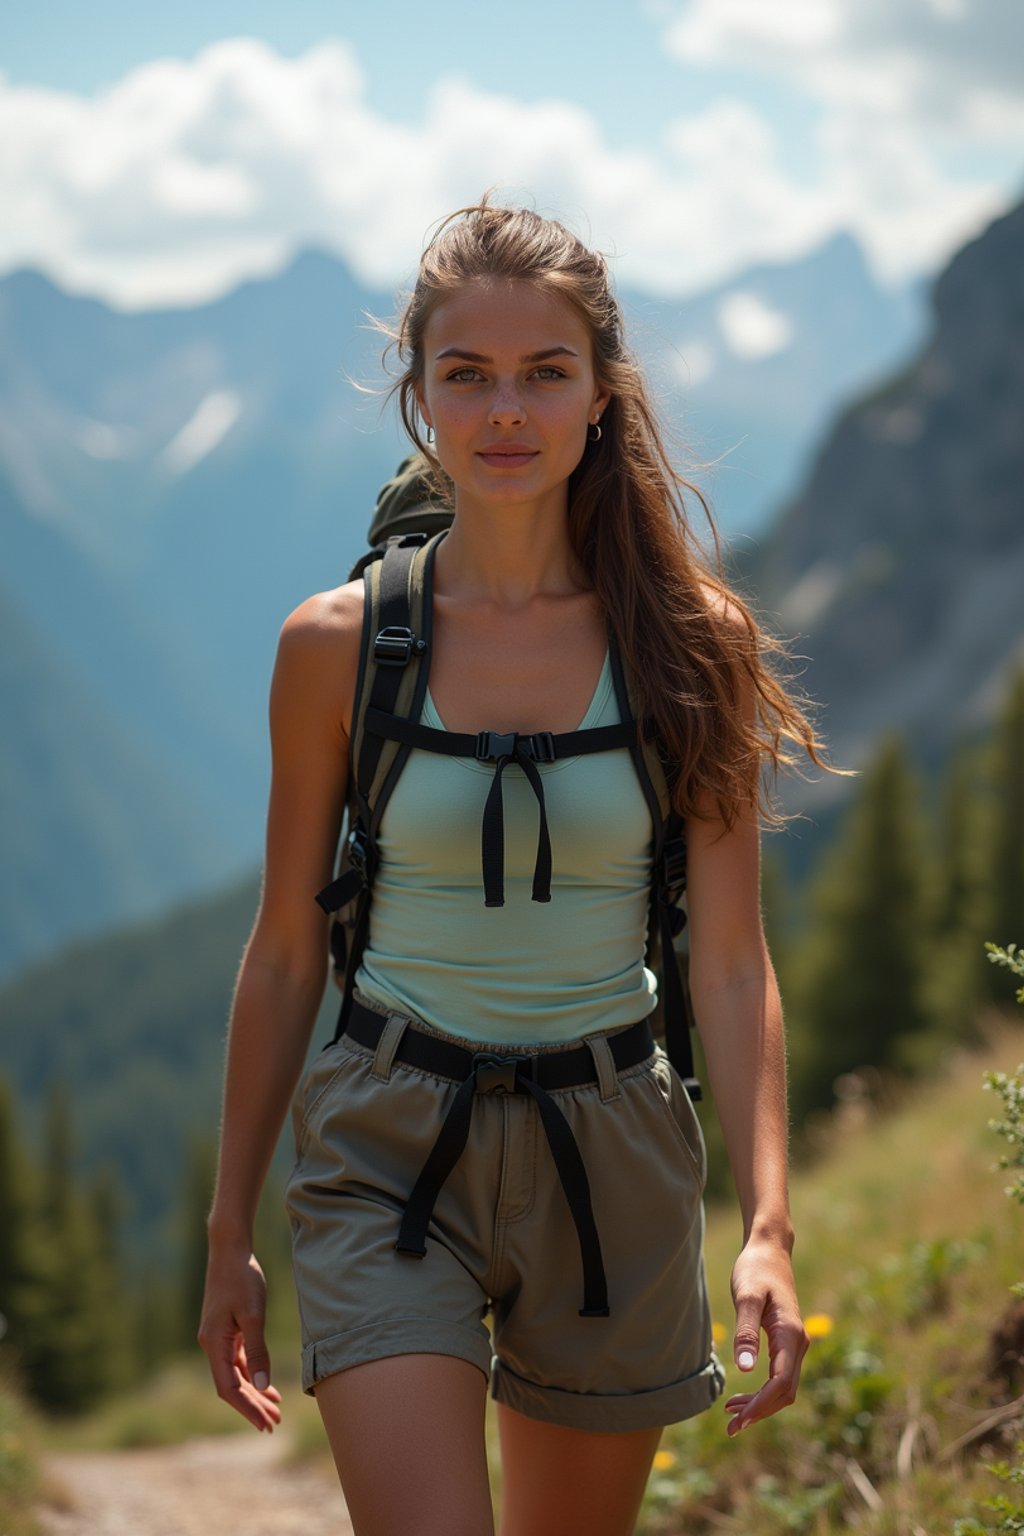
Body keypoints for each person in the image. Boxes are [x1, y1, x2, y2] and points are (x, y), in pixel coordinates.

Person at [198, 195, 831, 1536]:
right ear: (419, 397)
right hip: (383, 1143)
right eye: (467, 374)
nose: (506, 411)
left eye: (546, 373)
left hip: (613, 1153)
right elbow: (286, 950)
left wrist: (767, 1221)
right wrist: (226, 1230)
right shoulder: (337, 647)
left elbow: (727, 959)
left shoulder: (690, 646)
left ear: (602, 394)